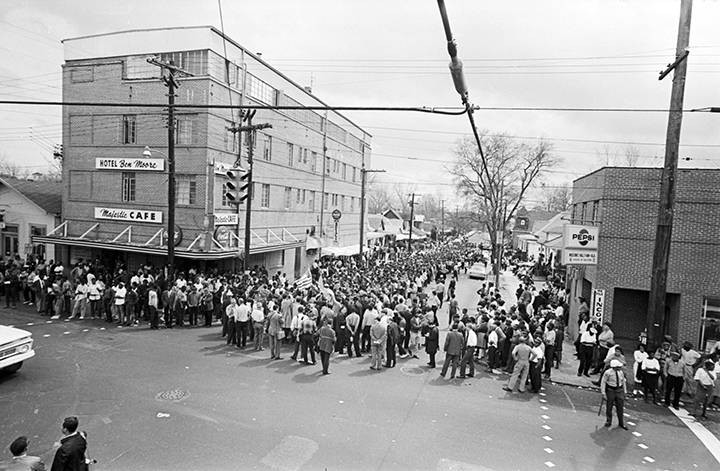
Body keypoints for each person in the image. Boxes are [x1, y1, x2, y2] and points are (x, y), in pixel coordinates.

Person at [600, 359, 628, 429]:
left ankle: (621, 423)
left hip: (619, 390)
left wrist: (625, 392)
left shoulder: (621, 372)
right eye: (618, 366)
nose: (619, 367)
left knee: (620, 407)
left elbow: (623, 382)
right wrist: (603, 393)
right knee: (609, 406)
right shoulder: (608, 373)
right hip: (611, 390)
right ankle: (609, 421)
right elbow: (603, 382)